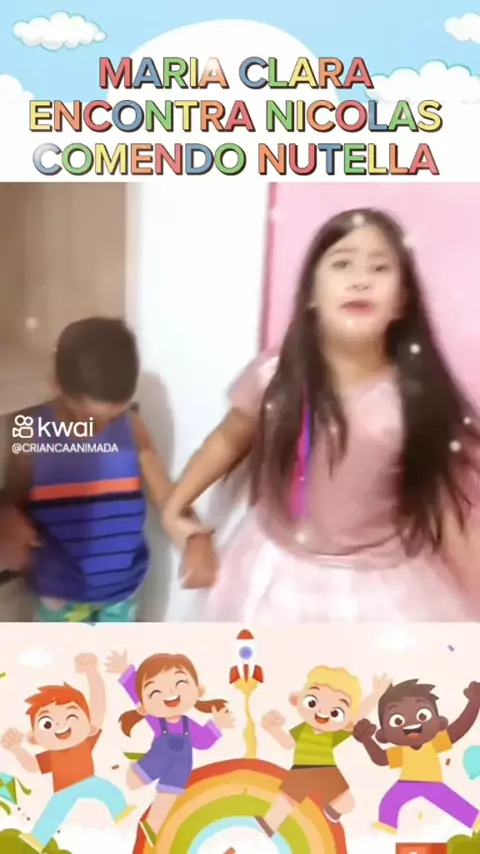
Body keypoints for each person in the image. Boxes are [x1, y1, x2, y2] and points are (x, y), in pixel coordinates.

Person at [162, 208, 480, 621]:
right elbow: (228, 439)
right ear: (311, 294)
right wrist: (176, 504)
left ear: (402, 301)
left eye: (380, 268)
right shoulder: (273, 377)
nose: (361, 279)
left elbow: (452, 512)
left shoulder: (416, 400)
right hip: (270, 575)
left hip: (379, 589)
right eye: (342, 264)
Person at [2, 317, 175, 622]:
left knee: (118, 654)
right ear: (57, 384)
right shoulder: (30, 431)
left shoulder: (132, 427)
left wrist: (192, 532)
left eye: (115, 415)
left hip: (121, 593)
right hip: (57, 592)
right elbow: (16, 501)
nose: (101, 427)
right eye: (87, 416)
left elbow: (166, 495)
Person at [1, 653, 135, 852]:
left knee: (111, 793)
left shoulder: (85, 741)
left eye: (71, 715)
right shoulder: (52, 755)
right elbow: (32, 766)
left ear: (88, 725)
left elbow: (98, 705)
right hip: (63, 790)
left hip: (88, 780)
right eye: (47, 723)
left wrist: (92, 673)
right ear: (35, 738)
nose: (60, 725)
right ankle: (37, 839)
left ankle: (122, 815)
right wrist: (16, 749)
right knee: (53, 814)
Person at [107, 650, 235, 845]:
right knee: (135, 781)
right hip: (157, 759)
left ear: (198, 690)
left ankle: (152, 827)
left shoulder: (188, 725)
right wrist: (126, 672)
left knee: (167, 797)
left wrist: (216, 725)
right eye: (155, 692)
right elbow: (136, 693)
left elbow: (203, 741)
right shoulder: (157, 720)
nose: (168, 694)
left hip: (179, 769)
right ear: (144, 706)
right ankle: (129, 772)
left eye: (180, 683)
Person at [257, 666, 389, 837]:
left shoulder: (334, 732)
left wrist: (376, 696)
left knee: (347, 804)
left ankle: (329, 810)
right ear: (298, 699)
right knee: (285, 801)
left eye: (335, 712)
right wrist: (273, 729)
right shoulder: (303, 730)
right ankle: (266, 827)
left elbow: (358, 713)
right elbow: (288, 743)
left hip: (327, 771)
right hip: (301, 770)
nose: (323, 712)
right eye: (312, 702)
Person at [353, 678, 480, 834]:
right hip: (406, 784)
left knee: (454, 804)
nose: (411, 725)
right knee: (389, 805)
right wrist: (366, 740)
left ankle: (476, 822)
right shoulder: (402, 752)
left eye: (422, 716)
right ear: (383, 735)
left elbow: (459, 729)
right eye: (397, 720)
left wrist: (474, 704)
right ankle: (386, 833)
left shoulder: (434, 744)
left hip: (433, 784)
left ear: (439, 723)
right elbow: (380, 758)